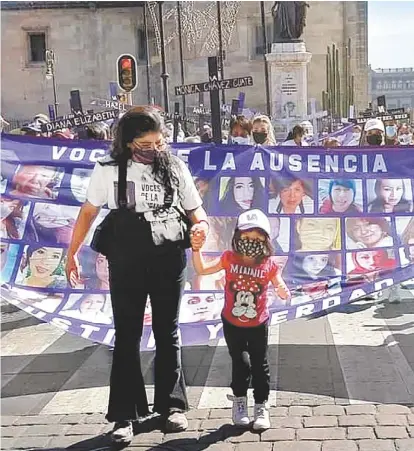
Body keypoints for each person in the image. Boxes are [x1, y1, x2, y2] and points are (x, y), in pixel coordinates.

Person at [65, 106, 209, 444]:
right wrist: (71, 253)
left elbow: (195, 209)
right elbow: (88, 212)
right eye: (147, 144)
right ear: (129, 143)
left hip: (168, 252)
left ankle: (172, 407)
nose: (155, 150)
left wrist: (200, 226)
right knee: (127, 334)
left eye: (160, 143)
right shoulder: (108, 169)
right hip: (126, 252)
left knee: (167, 330)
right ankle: (124, 416)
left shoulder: (174, 167)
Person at [190, 209, 290, 431]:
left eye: (256, 238)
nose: (250, 242)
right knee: (241, 363)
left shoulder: (269, 264)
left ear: (265, 240)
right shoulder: (228, 258)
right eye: (245, 238)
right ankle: (239, 402)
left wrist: (283, 290)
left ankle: (261, 406)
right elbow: (202, 269)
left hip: (258, 324)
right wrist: (196, 250)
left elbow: (280, 284)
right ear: (236, 237)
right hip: (232, 323)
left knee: (260, 364)